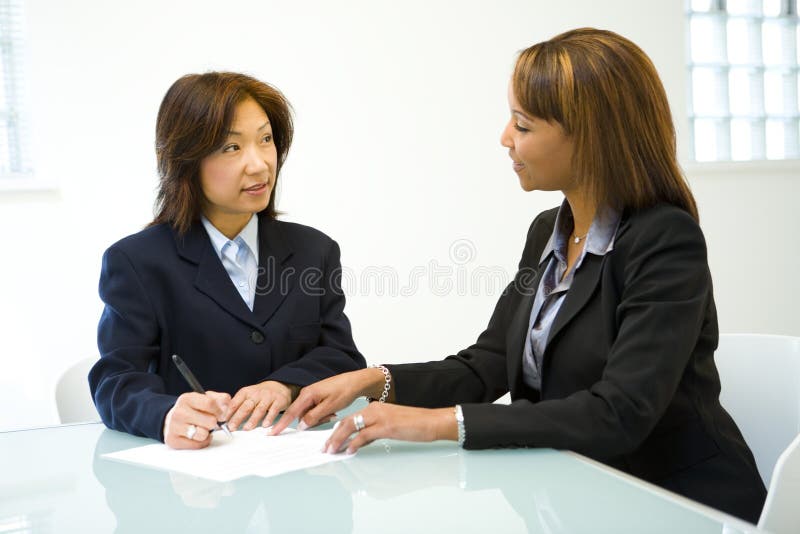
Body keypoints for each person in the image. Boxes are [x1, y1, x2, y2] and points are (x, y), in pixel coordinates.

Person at [272, 29, 767, 522]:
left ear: (591, 137)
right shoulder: (548, 231)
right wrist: (373, 381)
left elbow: (619, 413)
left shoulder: (663, 240)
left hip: (675, 503)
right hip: (578, 492)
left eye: (523, 125)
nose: (505, 138)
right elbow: (488, 365)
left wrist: (435, 424)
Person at [90, 72, 365, 450]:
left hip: (300, 468)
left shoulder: (314, 251)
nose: (259, 165)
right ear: (185, 160)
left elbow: (342, 356)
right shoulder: (137, 262)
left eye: (266, 140)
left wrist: (283, 385)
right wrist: (167, 414)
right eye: (231, 148)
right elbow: (117, 380)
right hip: (197, 481)